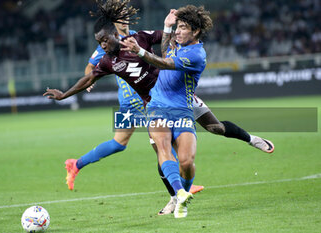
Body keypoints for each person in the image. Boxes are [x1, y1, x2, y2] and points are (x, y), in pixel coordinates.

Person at [43, 0, 274, 217]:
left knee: (215, 128)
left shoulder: (140, 37)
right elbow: (90, 71)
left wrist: (171, 29)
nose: (123, 22)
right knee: (156, 147)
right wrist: (68, 93)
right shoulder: (106, 53)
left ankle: (248, 140)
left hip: (178, 94)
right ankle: (176, 195)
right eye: (120, 19)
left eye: (125, 19)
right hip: (141, 103)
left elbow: (168, 45)